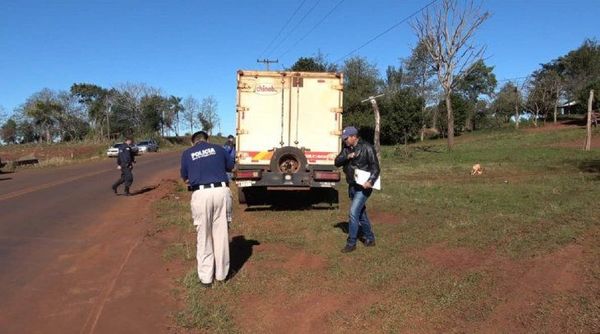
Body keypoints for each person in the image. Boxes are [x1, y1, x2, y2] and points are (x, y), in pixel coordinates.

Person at [181, 131, 234, 287]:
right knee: (221, 233)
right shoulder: (218, 149)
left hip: (201, 193)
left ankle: (206, 278)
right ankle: (222, 275)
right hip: (221, 192)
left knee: (203, 236)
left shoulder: (187, 153)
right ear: (207, 139)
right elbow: (230, 166)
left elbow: (185, 178)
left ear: (193, 142)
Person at [334, 126, 380, 253]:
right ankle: (370, 238)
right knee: (360, 213)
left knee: (353, 212)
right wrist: (347, 156)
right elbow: (336, 162)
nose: (345, 141)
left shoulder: (367, 147)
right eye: (344, 139)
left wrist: (370, 181)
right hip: (352, 185)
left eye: (346, 138)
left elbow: (376, 168)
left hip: (363, 187)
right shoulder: (346, 149)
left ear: (354, 136)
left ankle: (351, 242)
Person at [223, 135, 236, 225]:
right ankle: (227, 185)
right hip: (229, 161)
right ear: (229, 139)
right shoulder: (228, 144)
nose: (232, 139)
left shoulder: (232, 144)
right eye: (231, 138)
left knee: (230, 175)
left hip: (231, 161)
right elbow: (226, 152)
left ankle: (228, 183)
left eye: (232, 138)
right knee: (228, 175)